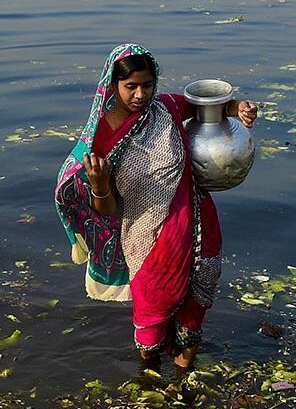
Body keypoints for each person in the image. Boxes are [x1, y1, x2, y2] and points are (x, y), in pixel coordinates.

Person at [55, 43, 257, 373]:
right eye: (130, 86)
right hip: (147, 239)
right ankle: (149, 377)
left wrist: (240, 108)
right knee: (153, 313)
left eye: (146, 85)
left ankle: (182, 373)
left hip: (199, 223)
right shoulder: (102, 140)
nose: (139, 95)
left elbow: (210, 106)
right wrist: (99, 184)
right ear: (112, 85)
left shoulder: (165, 109)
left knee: (197, 302)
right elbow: (105, 210)